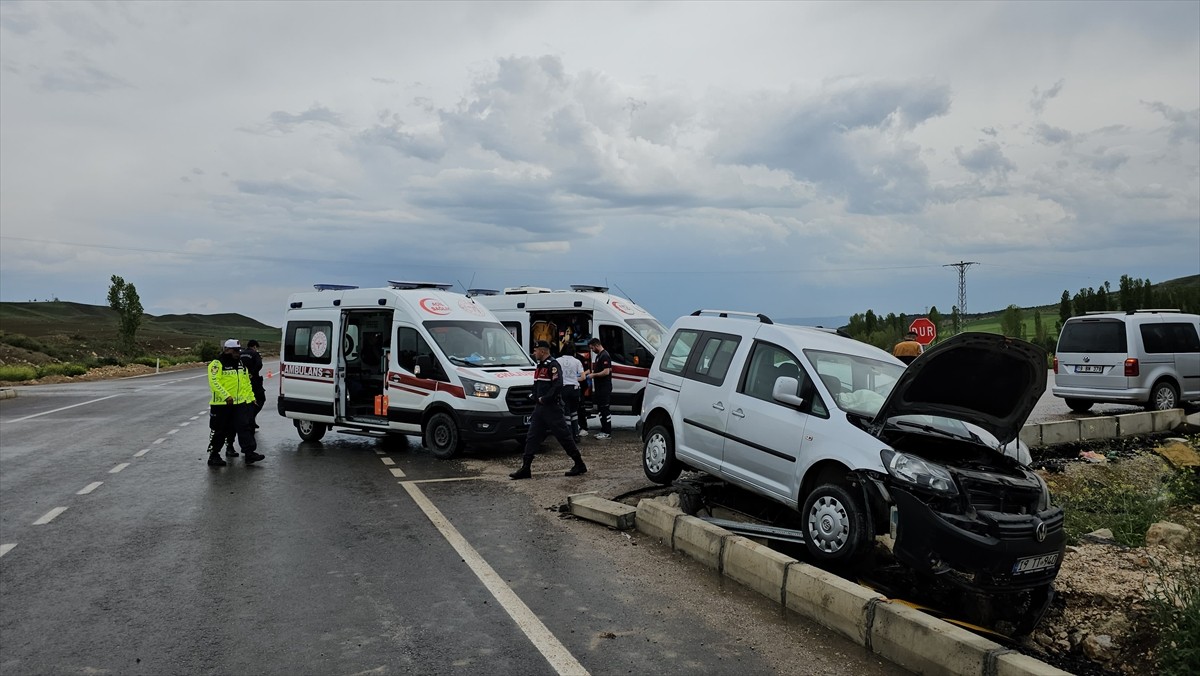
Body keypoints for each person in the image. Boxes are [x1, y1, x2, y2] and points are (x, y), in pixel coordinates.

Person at [510, 341, 586, 480]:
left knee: (564, 436)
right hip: (540, 409)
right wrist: (533, 396)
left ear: (543, 351)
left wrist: (545, 398)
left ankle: (579, 463)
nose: (534, 353)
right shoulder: (540, 366)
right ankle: (526, 468)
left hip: (552, 408)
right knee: (532, 437)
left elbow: (558, 385)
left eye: (536, 350)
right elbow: (537, 385)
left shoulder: (553, 365)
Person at [207, 339, 264, 466]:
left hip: (239, 403)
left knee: (244, 427)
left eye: (239, 351)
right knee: (220, 430)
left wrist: (251, 398)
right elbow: (214, 382)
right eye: (235, 351)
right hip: (222, 404)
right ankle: (214, 455)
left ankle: (249, 453)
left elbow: (246, 383)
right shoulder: (217, 364)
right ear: (227, 350)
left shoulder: (241, 364)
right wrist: (226, 396)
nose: (238, 353)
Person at [556, 348, 585, 442]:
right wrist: (574, 379)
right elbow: (583, 377)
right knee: (574, 412)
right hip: (574, 389)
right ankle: (576, 434)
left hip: (563, 388)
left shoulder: (557, 361)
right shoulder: (577, 361)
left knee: (566, 412)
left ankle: (568, 435)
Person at [587, 337, 613, 439]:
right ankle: (603, 430)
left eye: (592, 348)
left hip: (604, 387)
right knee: (601, 410)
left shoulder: (605, 355)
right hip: (599, 387)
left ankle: (607, 432)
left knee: (605, 409)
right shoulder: (599, 356)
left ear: (597, 345)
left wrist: (594, 375)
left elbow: (606, 371)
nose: (592, 350)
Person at [241, 339, 266, 428]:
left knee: (247, 401)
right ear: (254, 346)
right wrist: (252, 373)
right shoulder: (255, 354)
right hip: (254, 380)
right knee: (260, 399)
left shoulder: (240, 353)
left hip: (242, 381)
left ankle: (251, 419)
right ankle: (251, 418)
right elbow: (259, 364)